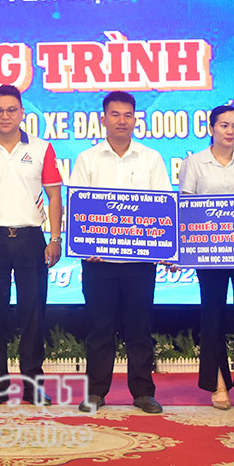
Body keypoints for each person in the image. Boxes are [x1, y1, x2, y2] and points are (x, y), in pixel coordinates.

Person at [70, 92, 168, 414]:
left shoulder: (151, 158)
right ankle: (96, 392)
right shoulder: (87, 159)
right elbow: (79, 207)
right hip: (99, 262)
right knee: (99, 329)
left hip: (140, 261)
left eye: (127, 115)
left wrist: (163, 246)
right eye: (115, 114)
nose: (121, 120)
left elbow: (162, 206)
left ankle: (143, 393)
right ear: (104, 119)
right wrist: (85, 244)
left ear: (135, 119)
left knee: (140, 329)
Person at [0, 84, 62, 406]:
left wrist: (55, 238)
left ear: (22, 112)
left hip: (31, 239)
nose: (5, 116)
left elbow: (54, 196)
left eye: (11, 110)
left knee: (33, 315)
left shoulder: (42, 148)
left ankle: (34, 386)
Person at [178, 104, 234, 411]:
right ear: (211, 128)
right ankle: (218, 382)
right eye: (224, 125)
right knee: (212, 314)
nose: (230, 131)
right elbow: (186, 207)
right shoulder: (194, 163)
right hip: (209, 252)